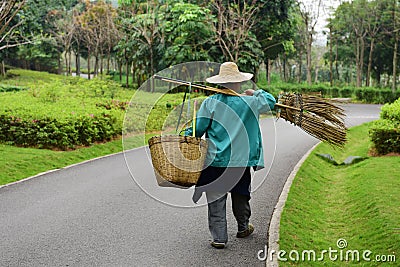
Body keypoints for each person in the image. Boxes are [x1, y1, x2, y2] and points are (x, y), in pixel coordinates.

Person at [186, 62, 276, 249]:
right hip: (239, 163)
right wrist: (255, 93)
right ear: (238, 84)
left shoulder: (210, 103)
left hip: (215, 162)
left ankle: (219, 237)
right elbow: (271, 101)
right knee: (241, 196)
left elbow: (197, 128)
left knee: (216, 199)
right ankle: (243, 227)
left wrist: (183, 137)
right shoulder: (250, 102)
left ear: (220, 83)